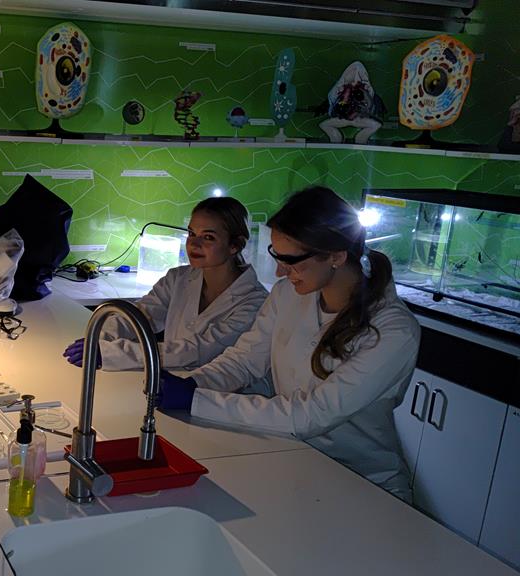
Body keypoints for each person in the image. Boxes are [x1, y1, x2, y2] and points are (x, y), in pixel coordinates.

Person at [159, 186, 420, 502]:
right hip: (293, 459)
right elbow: (244, 360)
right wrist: (193, 383)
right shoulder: (288, 294)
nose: (279, 271)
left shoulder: (393, 330)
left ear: (336, 256)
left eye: (291, 260)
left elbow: (310, 415)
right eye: (276, 255)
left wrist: (196, 400)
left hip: (364, 484)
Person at [63, 197, 268, 373]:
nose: (194, 244)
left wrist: (111, 354)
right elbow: (140, 317)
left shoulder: (254, 302)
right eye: (191, 233)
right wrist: (97, 339)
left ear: (235, 245)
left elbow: (199, 350)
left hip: (218, 395)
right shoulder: (178, 278)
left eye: (208, 237)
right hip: (169, 382)